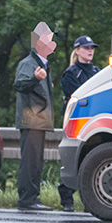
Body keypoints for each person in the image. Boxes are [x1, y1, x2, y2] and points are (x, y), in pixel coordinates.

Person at [13, 22, 57, 211]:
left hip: (39, 121)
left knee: (37, 161)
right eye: (47, 39)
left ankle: (33, 197)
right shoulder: (28, 64)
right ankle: (26, 200)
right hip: (31, 119)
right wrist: (34, 78)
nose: (51, 43)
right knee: (30, 161)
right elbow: (19, 84)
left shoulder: (42, 64)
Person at [58, 35, 100, 211]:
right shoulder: (72, 73)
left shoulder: (98, 72)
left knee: (92, 162)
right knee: (75, 159)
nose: (90, 51)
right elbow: (76, 96)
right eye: (85, 48)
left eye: (91, 48)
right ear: (77, 50)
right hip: (78, 121)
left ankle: (90, 200)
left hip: (96, 121)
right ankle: (66, 198)